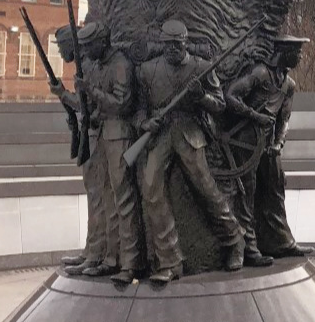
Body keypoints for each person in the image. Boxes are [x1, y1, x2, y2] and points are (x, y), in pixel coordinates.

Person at [134, 19, 244, 283]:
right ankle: (170, 262)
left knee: (206, 189)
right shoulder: (148, 70)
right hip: (160, 135)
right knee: (150, 189)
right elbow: (138, 108)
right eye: (167, 44)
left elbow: (219, 105)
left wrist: (200, 96)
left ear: (185, 42)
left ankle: (234, 240)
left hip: (190, 133)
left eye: (177, 44)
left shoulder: (202, 67)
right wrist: (145, 123)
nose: (172, 49)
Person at [225, 35, 313, 259]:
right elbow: (231, 96)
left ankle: (281, 242)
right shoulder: (260, 74)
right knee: (247, 194)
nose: (300, 57)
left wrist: (278, 143)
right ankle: (249, 249)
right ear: (284, 52)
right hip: (245, 142)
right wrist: (254, 116)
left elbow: (284, 119)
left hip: (268, 144)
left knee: (275, 190)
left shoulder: (288, 85)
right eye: (298, 53)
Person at [73, 22, 144, 285]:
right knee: (107, 198)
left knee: (123, 200)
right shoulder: (99, 64)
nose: (85, 52)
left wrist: (90, 90)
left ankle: (130, 263)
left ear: (102, 42)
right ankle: (109, 257)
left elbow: (122, 105)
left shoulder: (121, 64)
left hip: (121, 136)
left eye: (88, 46)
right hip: (104, 134)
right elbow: (94, 104)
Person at [49, 23, 119, 277]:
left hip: (100, 137)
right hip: (91, 136)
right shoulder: (87, 64)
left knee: (100, 197)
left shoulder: (89, 65)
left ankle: (97, 254)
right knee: (94, 195)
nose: (60, 54)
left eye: (63, 47)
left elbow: (87, 105)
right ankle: (91, 250)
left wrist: (63, 95)